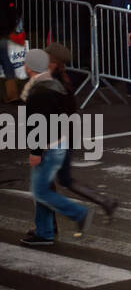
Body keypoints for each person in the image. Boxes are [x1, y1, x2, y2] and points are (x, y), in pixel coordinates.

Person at [21, 48, 93, 246]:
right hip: (59, 142)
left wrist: (36, 151)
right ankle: (45, 231)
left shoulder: (41, 90)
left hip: (49, 145)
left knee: (41, 191)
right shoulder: (57, 84)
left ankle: (78, 214)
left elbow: (38, 123)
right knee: (42, 188)